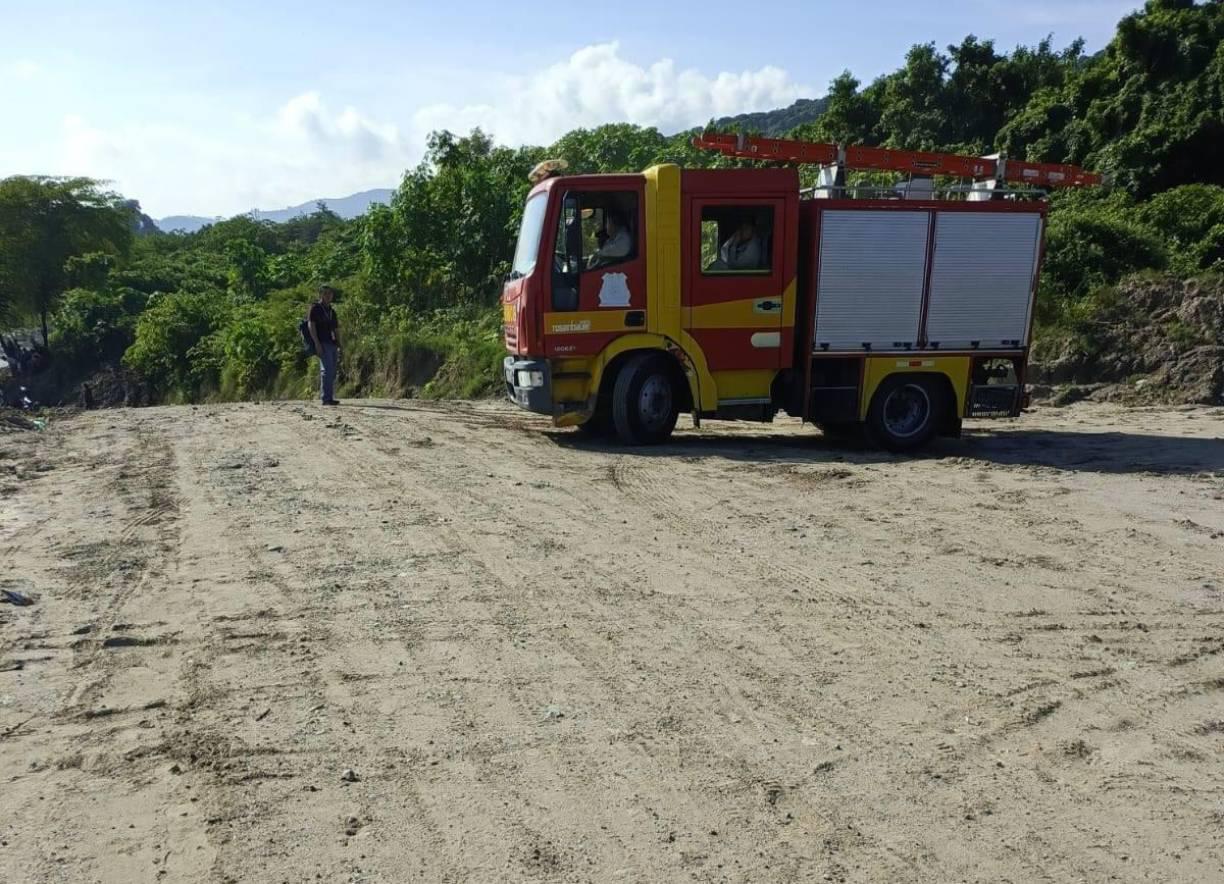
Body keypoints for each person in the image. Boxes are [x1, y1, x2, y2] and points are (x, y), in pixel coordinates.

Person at [308, 285, 341, 406]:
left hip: (332, 343)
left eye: (330, 294)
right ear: (321, 294)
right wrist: (316, 343)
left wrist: (339, 342)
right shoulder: (315, 308)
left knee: (332, 371)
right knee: (327, 370)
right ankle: (326, 398)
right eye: (326, 293)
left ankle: (329, 396)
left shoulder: (332, 311)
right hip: (322, 342)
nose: (328, 296)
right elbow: (311, 326)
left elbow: (336, 328)